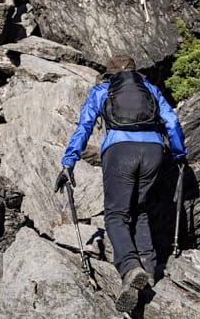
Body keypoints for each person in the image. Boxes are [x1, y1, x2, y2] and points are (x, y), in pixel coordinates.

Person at [55, 55, 188, 313]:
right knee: (140, 211)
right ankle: (148, 274)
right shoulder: (150, 89)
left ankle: (129, 268)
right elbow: (172, 121)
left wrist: (68, 161)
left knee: (116, 215)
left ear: (110, 74)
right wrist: (180, 155)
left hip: (119, 151)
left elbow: (85, 126)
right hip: (153, 151)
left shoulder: (102, 90)